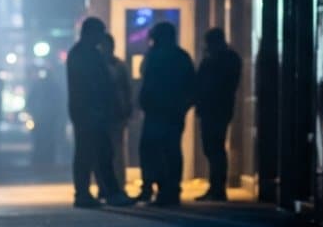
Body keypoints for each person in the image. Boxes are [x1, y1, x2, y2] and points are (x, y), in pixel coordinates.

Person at [66, 17, 132, 208]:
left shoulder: (81, 53)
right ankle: (101, 192)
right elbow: (95, 85)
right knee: (95, 153)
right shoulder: (86, 55)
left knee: (95, 153)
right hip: (90, 112)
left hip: (88, 112)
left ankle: (94, 192)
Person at [136, 22, 195, 206]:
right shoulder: (182, 57)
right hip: (173, 112)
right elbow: (191, 86)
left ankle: (153, 187)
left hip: (156, 111)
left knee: (151, 150)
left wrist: (144, 103)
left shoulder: (154, 56)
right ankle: (170, 189)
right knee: (171, 151)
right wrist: (183, 106)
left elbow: (147, 81)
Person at [194, 28, 242, 201]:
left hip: (216, 108)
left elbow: (205, 82)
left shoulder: (221, 59)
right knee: (213, 148)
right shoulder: (228, 58)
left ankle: (218, 187)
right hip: (216, 108)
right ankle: (216, 187)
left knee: (214, 148)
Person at [99, 33, 132, 194]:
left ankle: (116, 185)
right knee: (108, 152)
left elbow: (126, 89)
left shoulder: (117, 65)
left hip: (114, 114)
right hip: (106, 114)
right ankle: (108, 186)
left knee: (116, 152)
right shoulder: (116, 65)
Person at [28, 67, 64, 168]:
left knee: (43, 140)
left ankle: (43, 159)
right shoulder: (51, 86)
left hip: (46, 118)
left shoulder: (44, 86)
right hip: (44, 118)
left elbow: (30, 101)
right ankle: (44, 159)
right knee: (43, 140)